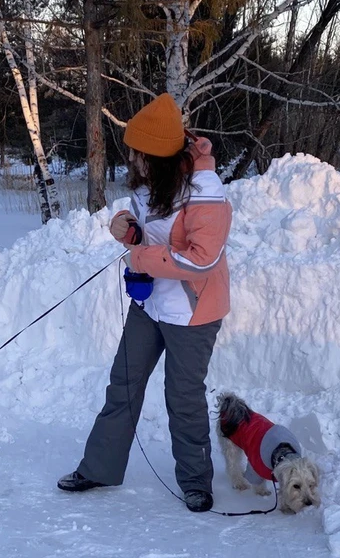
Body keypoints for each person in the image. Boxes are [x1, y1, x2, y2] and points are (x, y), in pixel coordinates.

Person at [57, 93, 232, 513]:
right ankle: (99, 467)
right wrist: (129, 227)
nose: (132, 159)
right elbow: (152, 228)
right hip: (150, 302)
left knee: (183, 397)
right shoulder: (153, 179)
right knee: (124, 385)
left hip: (193, 311)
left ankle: (195, 482)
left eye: (138, 153)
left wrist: (140, 256)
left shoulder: (207, 191)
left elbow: (200, 258)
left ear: (157, 155)